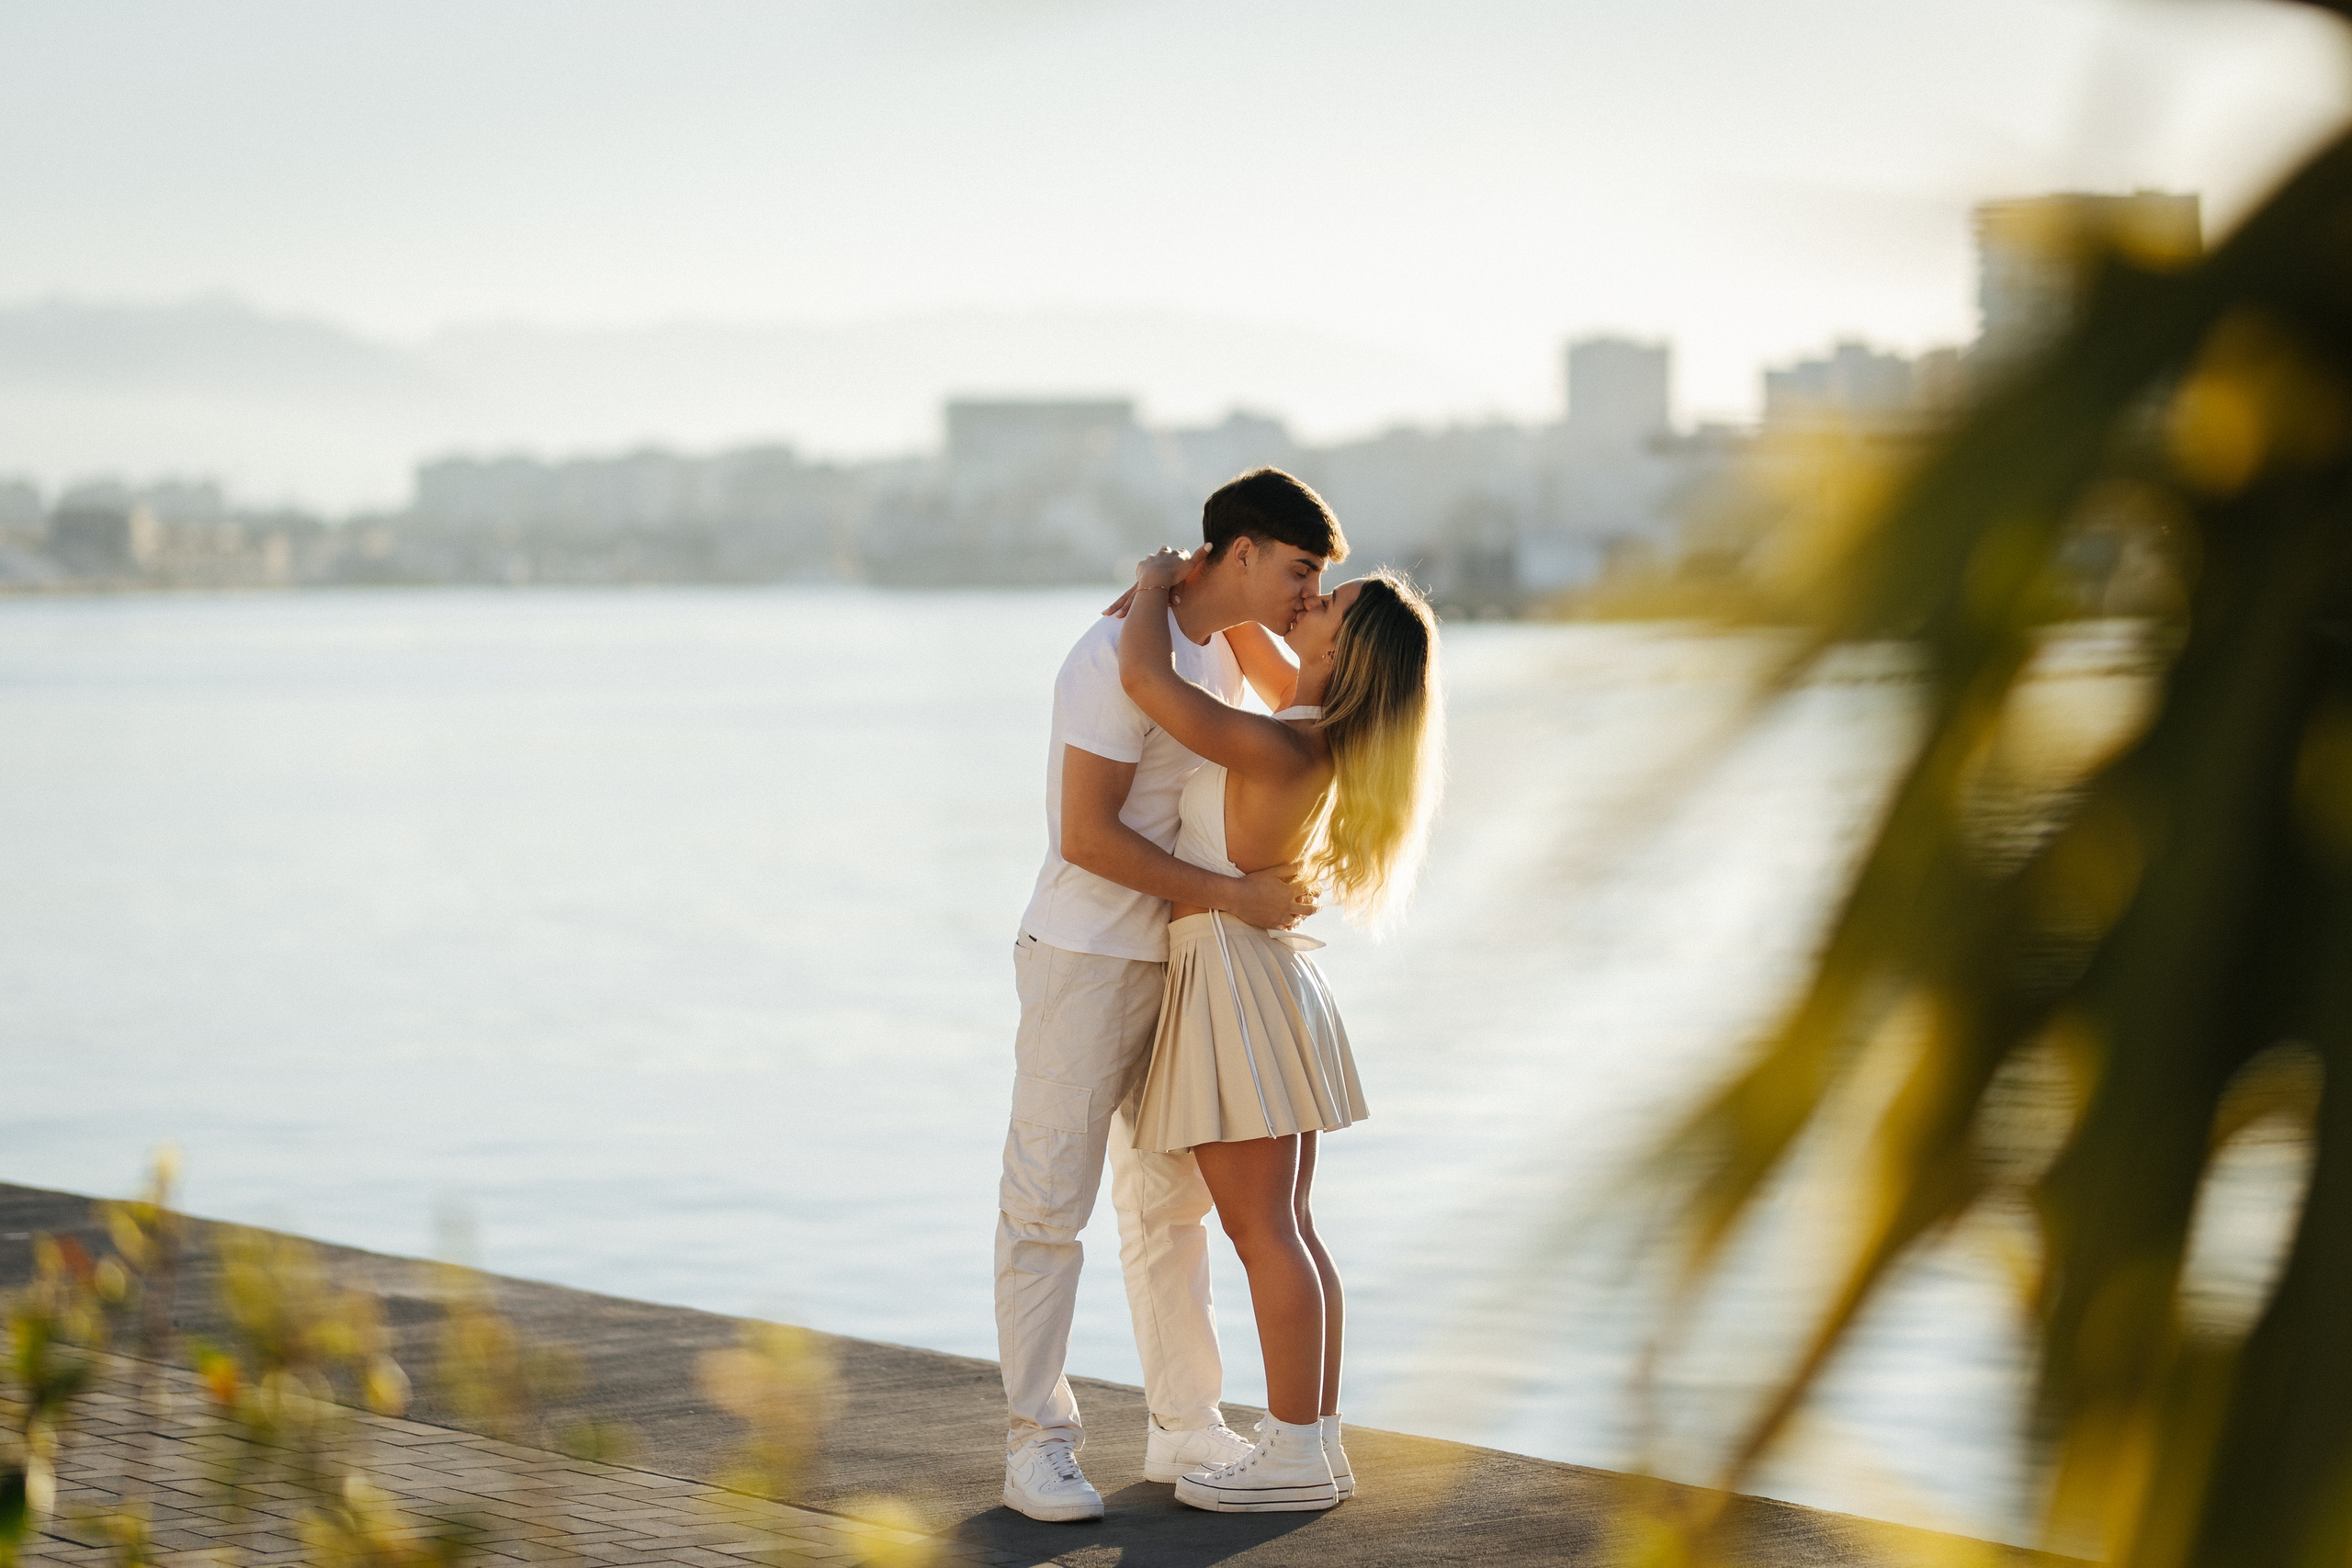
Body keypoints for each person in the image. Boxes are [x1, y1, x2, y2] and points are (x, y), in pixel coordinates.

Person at [997, 469, 1349, 1523]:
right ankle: (1037, 1442)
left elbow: (1300, 715)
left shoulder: (1223, 649)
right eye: (1299, 571)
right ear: (1241, 552)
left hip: (1191, 967)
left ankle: (1184, 1423)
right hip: (1086, 957)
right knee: (1046, 1207)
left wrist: (1169, 586)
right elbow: (1085, 835)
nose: (1307, 593)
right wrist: (1238, 894)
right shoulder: (1112, 653)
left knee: (1169, 1210)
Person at [1115, 545, 1442, 1514]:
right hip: (1256, 978)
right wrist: (1232, 586)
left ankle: (1295, 1450)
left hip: (1228, 978)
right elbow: (1256, 647)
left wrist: (1152, 584)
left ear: (1342, 653)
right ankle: (1315, 1442)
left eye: (1328, 602)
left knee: (1264, 1231)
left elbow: (1144, 678)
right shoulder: (1301, 728)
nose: (1310, 601)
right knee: (1286, 1227)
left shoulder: (1280, 745)